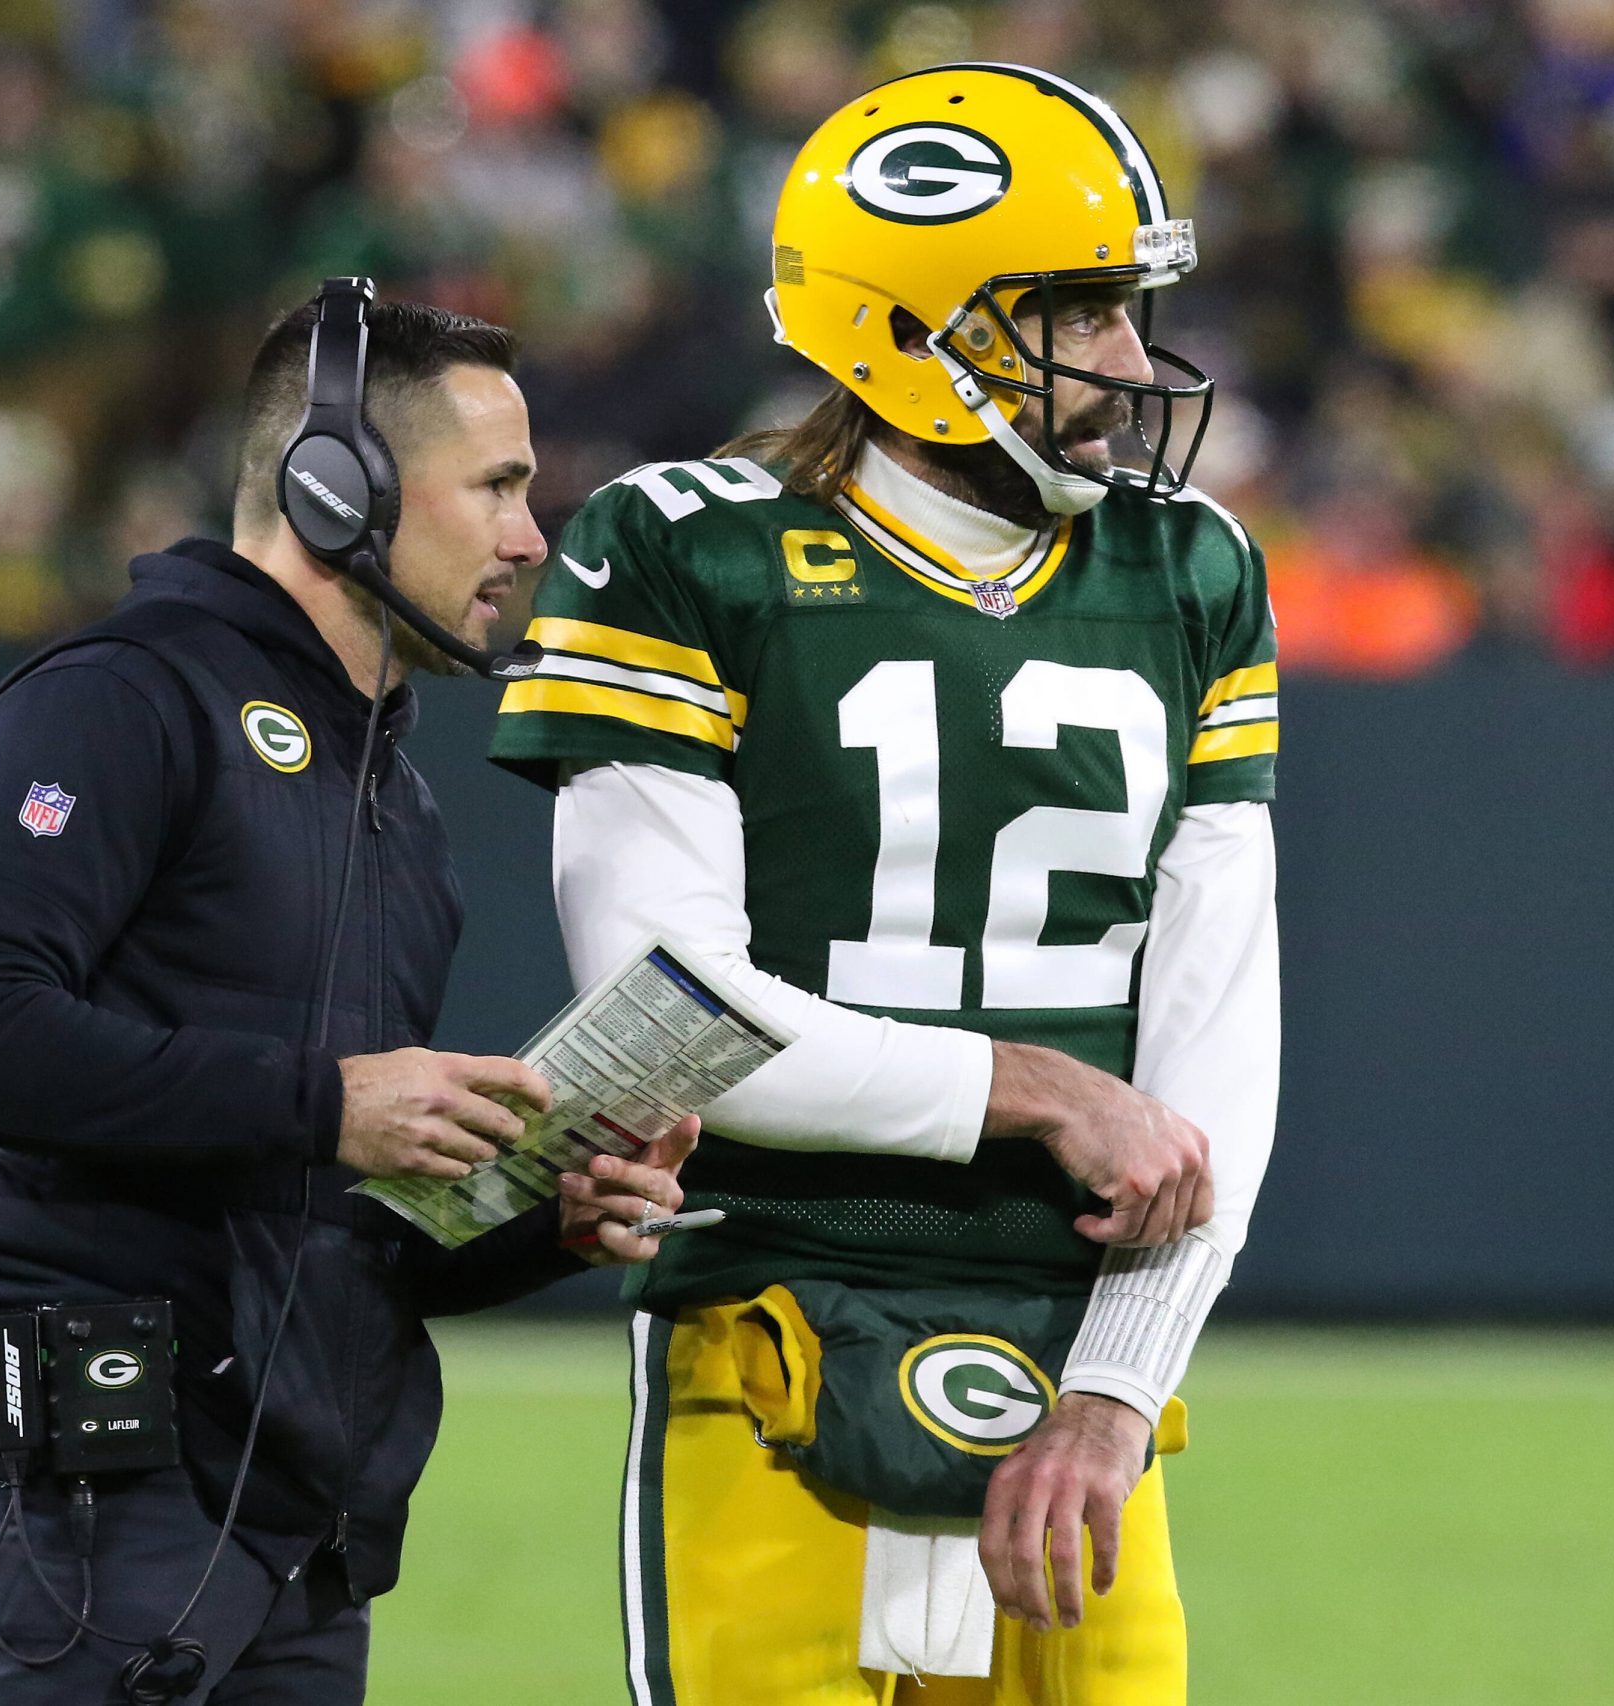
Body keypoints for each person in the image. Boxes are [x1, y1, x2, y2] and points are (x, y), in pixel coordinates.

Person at [488, 65, 1280, 1706]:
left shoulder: (1188, 567)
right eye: (1080, 311)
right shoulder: (688, 547)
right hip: (770, 1325)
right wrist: (1031, 1085)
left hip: (1076, 1345)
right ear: (914, 326)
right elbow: (665, 1016)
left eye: (1132, 311)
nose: (1131, 364)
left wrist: (1121, 1389)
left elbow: (1220, 1023)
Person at [0, 284, 697, 1704]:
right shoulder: (120, 698)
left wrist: (539, 1222)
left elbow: (322, 1212)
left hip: (285, 1524)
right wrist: (329, 1099)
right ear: (338, 488)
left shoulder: (397, 800)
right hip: (74, 1481)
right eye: (497, 487)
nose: (529, 536)